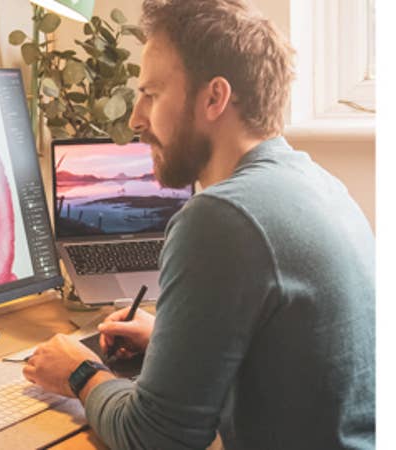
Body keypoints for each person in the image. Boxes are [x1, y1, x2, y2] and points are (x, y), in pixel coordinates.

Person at [22, 0, 375, 449]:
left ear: (214, 98)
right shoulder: (319, 184)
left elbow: (156, 438)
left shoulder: (222, 217)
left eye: (151, 93)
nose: (135, 119)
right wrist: (173, 342)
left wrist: (80, 372)